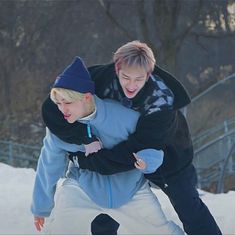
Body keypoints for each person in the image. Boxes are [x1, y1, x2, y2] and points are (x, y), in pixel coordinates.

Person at [42, 41, 222, 235]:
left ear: (149, 73)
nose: (131, 85)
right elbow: (52, 109)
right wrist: (82, 138)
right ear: (116, 68)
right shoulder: (98, 79)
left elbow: (134, 151)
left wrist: (87, 161)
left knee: (188, 205)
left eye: (139, 79)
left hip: (167, 156)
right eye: (125, 77)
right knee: (106, 208)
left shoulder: (161, 103)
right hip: (114, 152)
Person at [31, 57, 184, 235]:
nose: (62, 110)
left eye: (68, 103)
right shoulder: (61, 129)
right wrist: (41, 207)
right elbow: (48, 165)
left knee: (164, 232)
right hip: (82, 187)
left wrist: (149, 160)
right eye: (58, 103)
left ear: (86, 98)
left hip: (130, 189)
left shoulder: (122, 118)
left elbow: (152, 144)